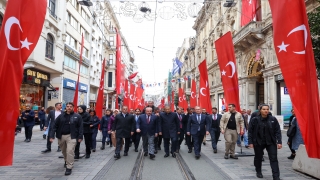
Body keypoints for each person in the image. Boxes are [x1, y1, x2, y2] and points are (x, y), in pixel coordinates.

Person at [248, 104, 282, 180]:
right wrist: (250, 142)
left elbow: (278, 131)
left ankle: (276, 176)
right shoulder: (255, 120)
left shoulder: (273, 119)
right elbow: (250, 131)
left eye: (267, 109)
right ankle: (258, 171)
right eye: (264, 109)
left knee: (274, 158)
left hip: (271, 142)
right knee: (258, 157)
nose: (266, 111)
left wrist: (279, 142)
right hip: (258, 142)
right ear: (260, 110)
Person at [49, 102, 83, 176]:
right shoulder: (61, 116)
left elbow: (80, 127)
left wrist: (80, 136)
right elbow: (54, 125)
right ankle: (66, 161)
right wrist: (51, 136)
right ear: (65, 107)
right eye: (67, 106)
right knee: (64, 151)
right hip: (61, 136)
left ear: (73, 107)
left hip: (72, 136)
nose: (69, 107)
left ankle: (69, 167)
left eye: (70, 106)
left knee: (69, 151)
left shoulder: (77, 116)